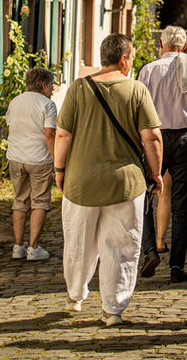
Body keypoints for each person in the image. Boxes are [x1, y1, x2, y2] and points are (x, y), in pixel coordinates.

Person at [54, 34, 164, 326]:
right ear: (125, 59)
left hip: (81, 180)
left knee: (78, 242)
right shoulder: (137, 90)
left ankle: (75, 295)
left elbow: (63, 134)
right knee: (121, 245)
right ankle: (113, 309)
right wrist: (155, 173)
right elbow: (152, 137)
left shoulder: (78, 89)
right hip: (124, 184)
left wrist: (59, 170)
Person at [138, 26, 187, 283]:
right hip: (185, 138)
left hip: (154, 137)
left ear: (161, 43)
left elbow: (138, 109)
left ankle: (149, 249)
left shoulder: (148, 70)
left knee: (146, 195)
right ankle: (177, 266)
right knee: (182, 202)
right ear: (184, 45)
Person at [5, 67, 58, 261]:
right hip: (39, 159)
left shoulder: (15, 101)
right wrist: (56, 161)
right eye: (52, 85)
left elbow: (10, 129)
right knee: (40, 202)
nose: (52, 89)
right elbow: (49, 134)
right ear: (43, 85)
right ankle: (33, 247)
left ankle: (18, 246)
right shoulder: (47, 104)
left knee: (20, 201)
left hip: (16, 157)